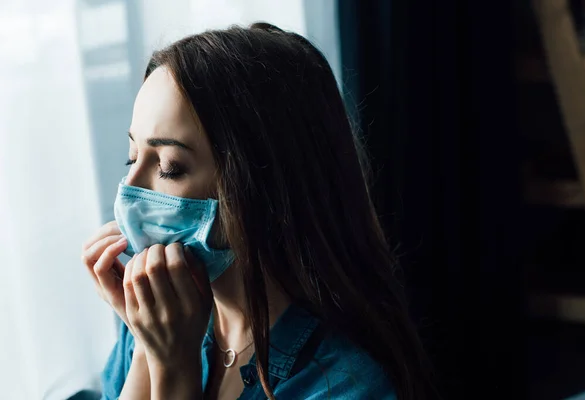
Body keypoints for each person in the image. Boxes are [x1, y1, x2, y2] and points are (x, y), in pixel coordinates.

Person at [81, 22, 435, 400]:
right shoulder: (159, 318)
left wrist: (172, 370)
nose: (130, 188)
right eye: (131, 157)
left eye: (169, 166)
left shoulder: (348, 384)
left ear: (264, 187)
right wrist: (144, 349)